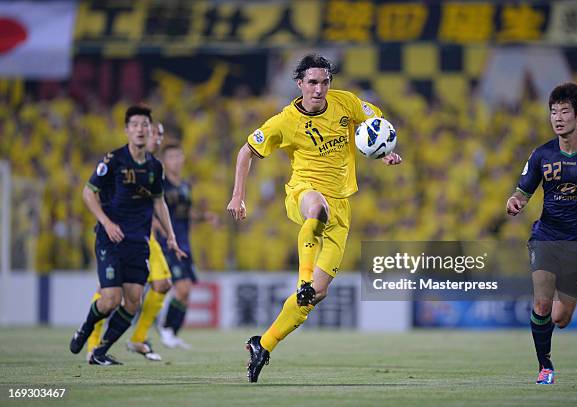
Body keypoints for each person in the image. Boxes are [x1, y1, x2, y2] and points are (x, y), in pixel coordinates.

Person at [227, 54, 402, 382]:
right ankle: (302, 279)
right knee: (316, 209)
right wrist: (238, 195)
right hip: (303, 193)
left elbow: (373, 128)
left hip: (341, 208)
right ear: (299, 84)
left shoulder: (346, 103)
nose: (319, 89)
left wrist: (384, 153)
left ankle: (262, 344)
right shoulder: (284, 121)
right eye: (312, 82)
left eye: (324, 82)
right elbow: (246, 151)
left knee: (316, 296)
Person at [506, 82, 577, 384]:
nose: (558, 117)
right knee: (540, 302)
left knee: (559, 318)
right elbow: (522, 192)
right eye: (553, 112)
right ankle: (545, 366)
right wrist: (515, 202)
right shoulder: (541, 155)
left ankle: (554, 328)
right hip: (547, 236)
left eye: (565, 111)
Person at [70, 106, 186, 365]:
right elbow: (89, 193)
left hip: (139, 242)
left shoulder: (155, 167)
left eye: (145, 125)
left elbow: (159, 203)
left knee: (133, 301)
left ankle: (100, 352)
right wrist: (106, 222)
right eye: (134, 125)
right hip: (110, 239)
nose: (140, 130)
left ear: (150, 129)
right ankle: (86, 329)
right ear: (127, 130)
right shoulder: (113, 160)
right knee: (110, 299)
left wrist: (171, 236)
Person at [157, 143, 214, 349]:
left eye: (179, 156)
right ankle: (164, 328)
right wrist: (164, 234)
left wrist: (203, 217)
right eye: (171, 156)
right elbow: (154, 212)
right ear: (164, 161)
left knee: (187, 291)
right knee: (181, 287)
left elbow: (186, 212)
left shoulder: (184, 185)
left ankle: (172, 332)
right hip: (168, 244)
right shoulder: (160, 185)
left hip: (185, 243)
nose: (176, 160)